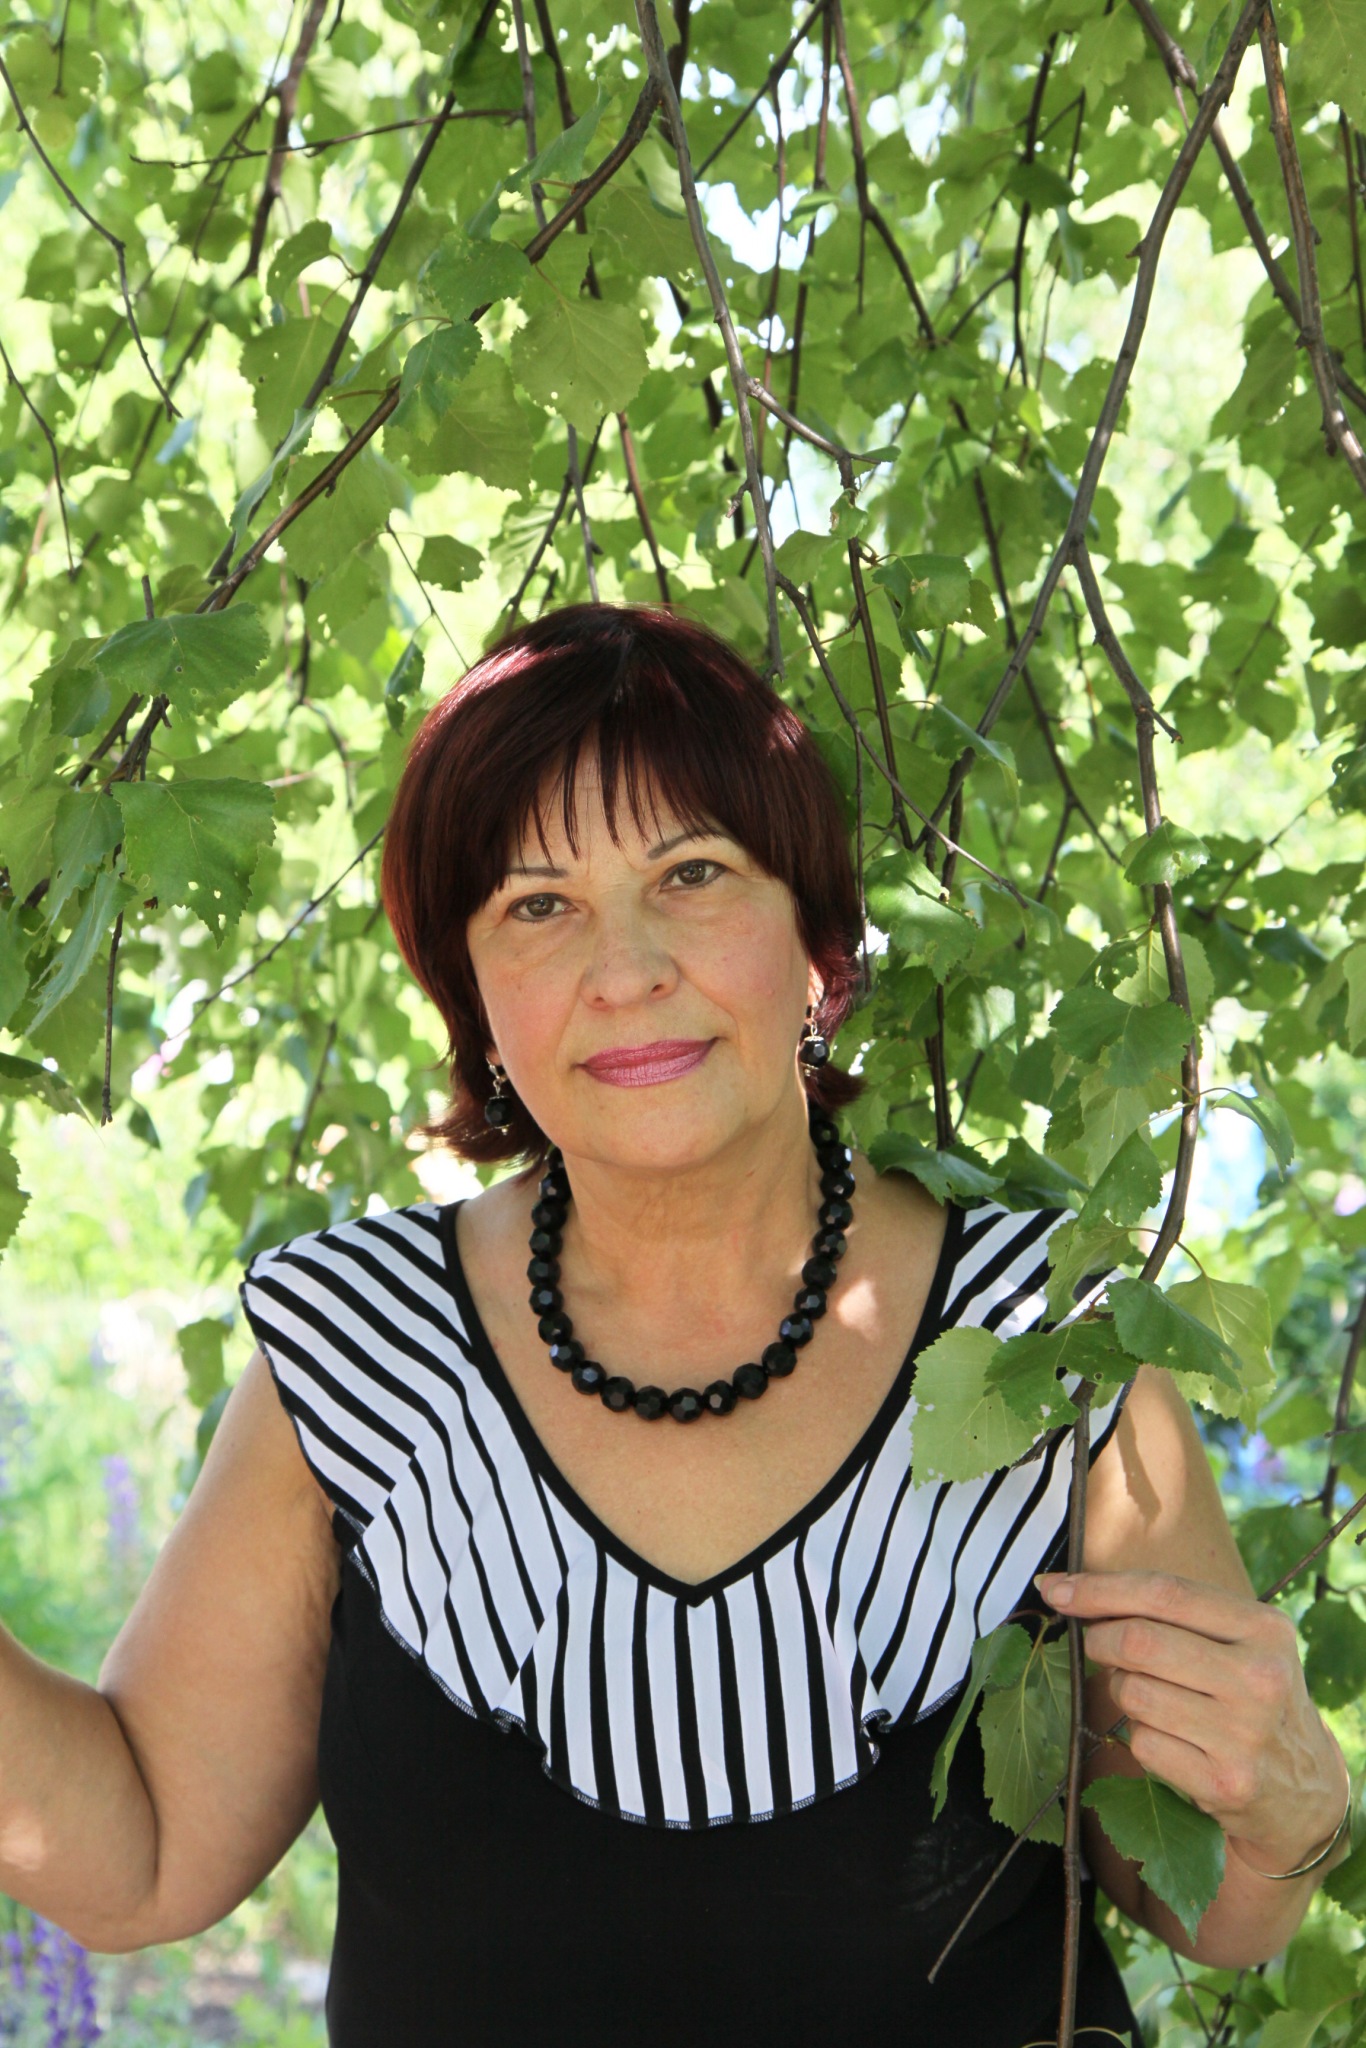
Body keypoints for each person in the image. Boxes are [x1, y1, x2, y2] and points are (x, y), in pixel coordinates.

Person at [0, 604, 1351, 2045]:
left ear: (815, 940)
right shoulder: (353, 1354)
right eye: (538, 906)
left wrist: (1296, 1812)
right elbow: (142, 1853)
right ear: (472, 996)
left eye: (691, 874)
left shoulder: (1039, 1344)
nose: (625, 967)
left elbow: (1209, 1904)